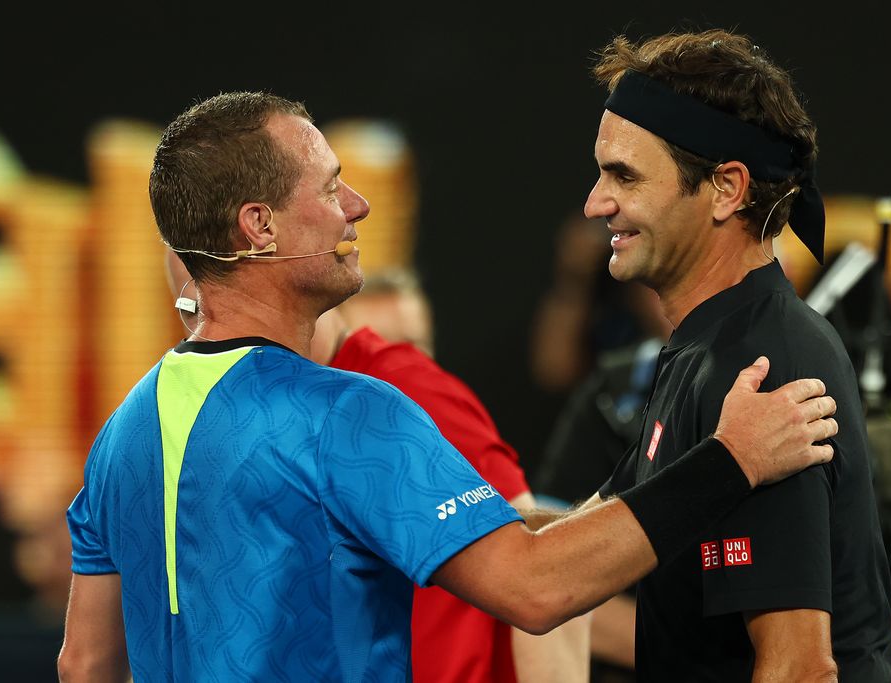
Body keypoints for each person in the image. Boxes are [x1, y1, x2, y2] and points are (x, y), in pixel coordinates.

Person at [58, 91, 838, 682]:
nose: (357, 207)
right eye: (330, 189)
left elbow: (85, 663)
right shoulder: (348, 412)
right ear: (258, 228)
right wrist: (730, 458)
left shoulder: (121, 431)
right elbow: (536, 590)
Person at [582, 30, 891, 681]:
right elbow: (569, 549)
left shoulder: (760, 365)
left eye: (624, 175)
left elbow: (799, 669)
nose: (596, 202)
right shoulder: (703, 348)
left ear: (727, 188)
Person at [168, 255, 590, 683]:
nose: (208, 334)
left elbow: (539, 558)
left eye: (218, 308)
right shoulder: (251, 415)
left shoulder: (405, 385)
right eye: (192, 313)